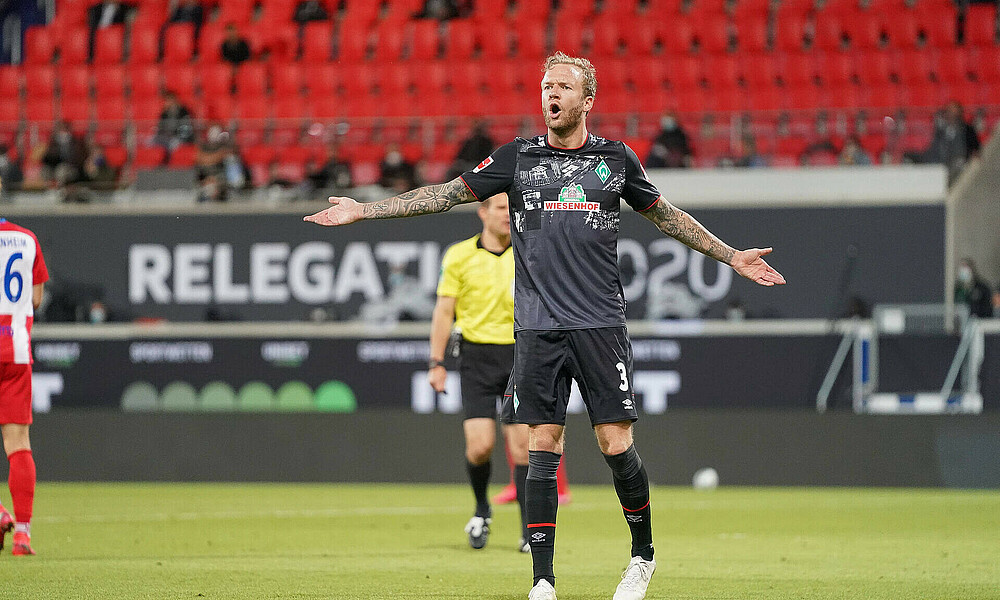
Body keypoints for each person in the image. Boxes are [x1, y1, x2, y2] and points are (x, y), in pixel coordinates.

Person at [305, 51, 786, 600]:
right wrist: (366, 210)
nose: (550, 94)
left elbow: (667, 216)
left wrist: (730, 256)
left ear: (587, 100)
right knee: (542, 443)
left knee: (613, 442)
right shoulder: (517, 158)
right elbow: (442, 196)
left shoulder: (617, 160)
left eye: (562, 86)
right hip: (537, 329)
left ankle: (642, 557)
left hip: (600, 324)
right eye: (545, 86)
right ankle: (542, 581)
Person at [428, 192, 532, 552]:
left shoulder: (529, 249)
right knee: (480, 446)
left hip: (521, 355)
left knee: (522, 449)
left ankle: (529, 532)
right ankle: (482, 509)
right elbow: (444, 311)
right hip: (475, 357)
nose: (508, 215)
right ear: (482, 212)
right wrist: (436, 362)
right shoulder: (459, 255)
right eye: (501, 208)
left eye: (511, 208)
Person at [0, 213, 49, 556]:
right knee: (19, 443)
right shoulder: (27, 239)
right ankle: (23, 535)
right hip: (15, 349)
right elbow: (35, 299)